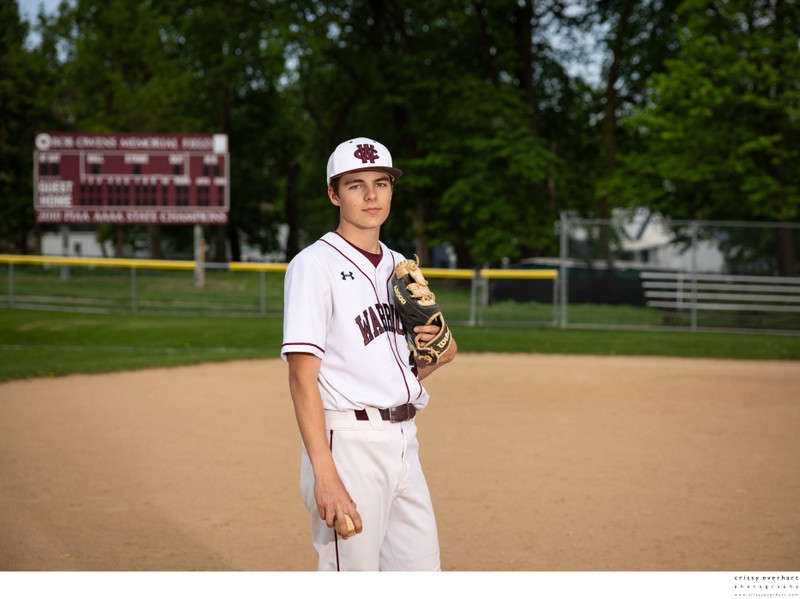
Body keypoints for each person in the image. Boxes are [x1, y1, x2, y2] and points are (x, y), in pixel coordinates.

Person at [281, 137, 457, 571]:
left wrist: (440, 351)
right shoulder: (313, 264)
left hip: (403, 442)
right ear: (333, 194)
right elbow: (302, 378)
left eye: (381, 182)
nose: (372, 194)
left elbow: (403, 362)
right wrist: (326, 475)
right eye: (356, 185)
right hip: (348, 444)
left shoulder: (401, 266)